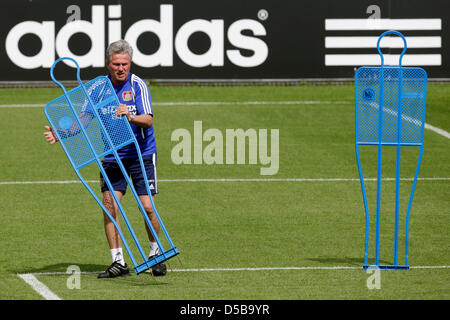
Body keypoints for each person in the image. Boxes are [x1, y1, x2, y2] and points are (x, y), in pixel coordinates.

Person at [43, 40, 166, 278]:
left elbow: (149, 120)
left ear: (130, 63)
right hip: (111, 155)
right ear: (108, 64)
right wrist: (62, 134)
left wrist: (130, 115)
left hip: (140, 153)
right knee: (110, 208)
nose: (121, 68)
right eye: (116, 64)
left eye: (125, 64)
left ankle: (155, 254)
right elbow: (84, 120)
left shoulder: (137, 85)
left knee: (147, 207)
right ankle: (118, 262)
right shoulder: (98, 87)